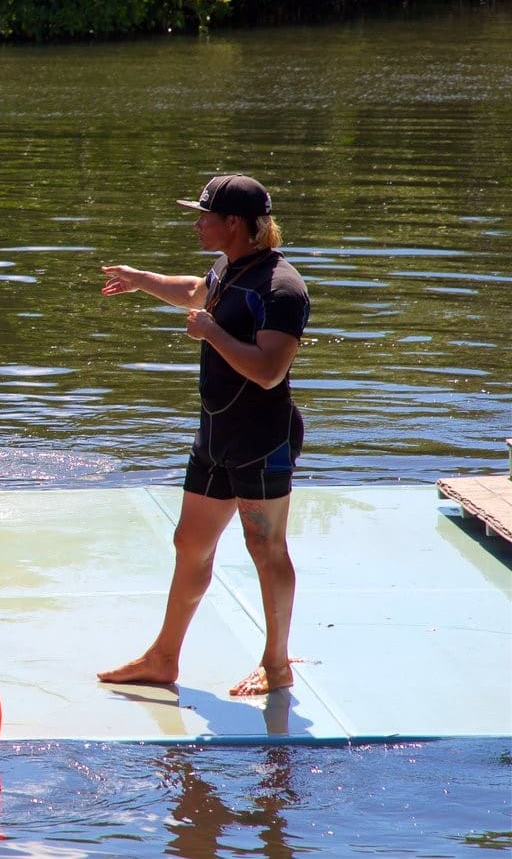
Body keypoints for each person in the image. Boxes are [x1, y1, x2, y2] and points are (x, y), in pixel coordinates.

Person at [97, 174, 310, 697]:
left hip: (263, 439)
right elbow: (198, 292)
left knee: (266, 548)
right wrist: (140, 278)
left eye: (204, 215)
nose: (197, 223)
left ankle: (277, 664)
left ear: (233, 223)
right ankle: (164, 657)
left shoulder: (281, 288)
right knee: (189, 542)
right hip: (215, 435)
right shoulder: (228, 267)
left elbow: (269, 372)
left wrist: (211, 333)